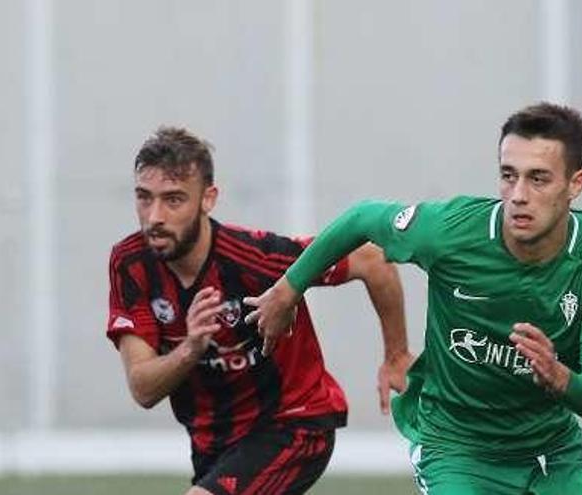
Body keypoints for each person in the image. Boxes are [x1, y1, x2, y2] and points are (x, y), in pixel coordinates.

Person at [245, 102, 582, 494]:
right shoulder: (451, 231)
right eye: (508, 175)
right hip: (455, 450)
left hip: (549, 455)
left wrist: (560, 378)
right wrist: (287, 290)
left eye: (538, 179)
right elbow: (362, 218)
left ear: (576, 183)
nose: (518, 195)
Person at [105, 127, 411, 495]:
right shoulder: (131, 264)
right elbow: (143, 388)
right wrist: (191, 347)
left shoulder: (254, 259)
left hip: (294, 424)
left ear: (208, 199)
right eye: (144, 197)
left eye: (173, 200)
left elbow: (371, 258)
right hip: (214, 444)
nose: (154, 216)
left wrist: (396, 355)